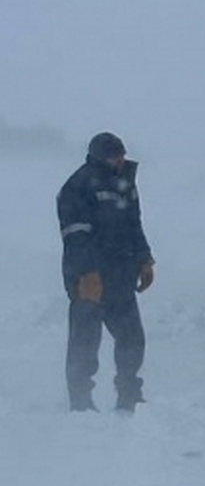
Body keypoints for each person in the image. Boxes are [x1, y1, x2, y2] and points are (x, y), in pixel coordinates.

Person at [57, 131, 155, 413]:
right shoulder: (78, 186)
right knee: (85, 341)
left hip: (121, 275)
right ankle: (80, 400)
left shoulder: (125, 183)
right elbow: (75, 235)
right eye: (115, 156)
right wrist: (87, 273)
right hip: (89, 279)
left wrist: (145, 259)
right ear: (98, 157)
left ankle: (129, 395)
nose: (121, 160)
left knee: (132, 338)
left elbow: (134, 225)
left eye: (122, 154)